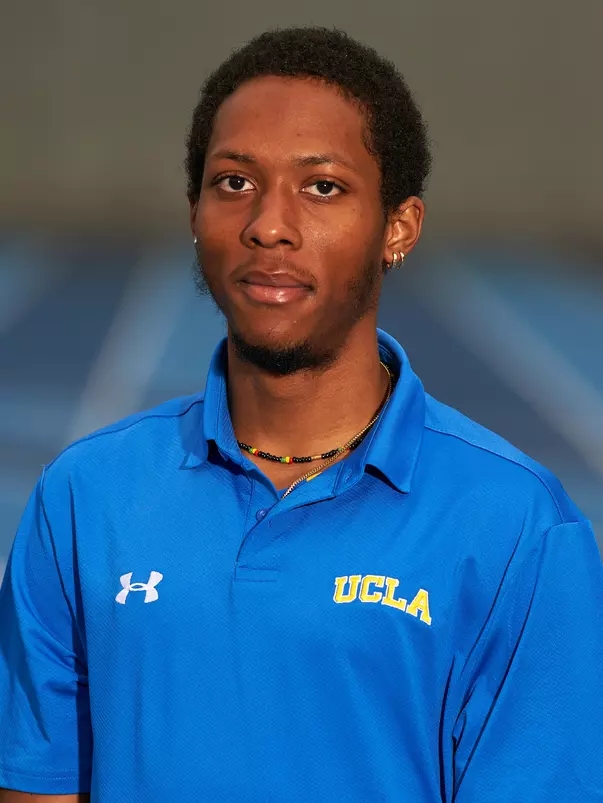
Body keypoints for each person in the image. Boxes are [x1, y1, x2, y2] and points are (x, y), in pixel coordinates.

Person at [0, 25, 602, 803]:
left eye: (321, 187)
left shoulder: (517, 526)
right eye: (233, 182)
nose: (268, 224)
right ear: (194, 213)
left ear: (397, 227)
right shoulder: (84, 496)